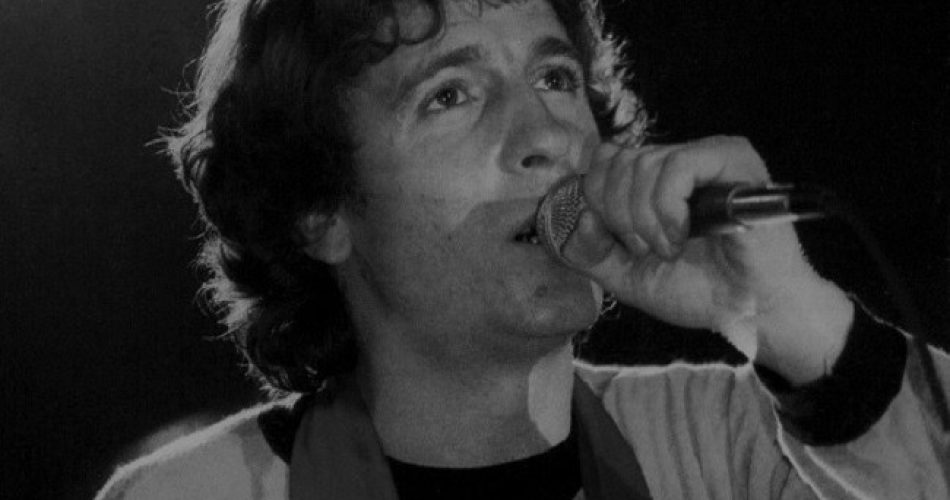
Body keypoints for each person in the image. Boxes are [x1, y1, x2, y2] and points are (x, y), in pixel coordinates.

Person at [97, 0, 950, 498]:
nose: (546, 136)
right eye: (451, 95)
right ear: (319, 210)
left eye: (555, 79)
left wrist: (785, 314)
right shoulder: (189, 494)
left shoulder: (741, 443)